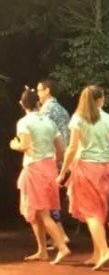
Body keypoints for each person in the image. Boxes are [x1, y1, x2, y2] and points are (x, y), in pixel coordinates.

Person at [58, 85, 109, 270]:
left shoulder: (79, 118)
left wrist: (63, 171)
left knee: (90, 212)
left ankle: (104, 251)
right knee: (99, 211)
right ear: (100, 98)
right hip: (106, 169)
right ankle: (97, 254)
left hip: (87, 167)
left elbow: (71, 148)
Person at [9, 87, 70, 264]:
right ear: (38, 103)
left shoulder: (24, 122)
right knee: (36, 213)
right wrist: (57, 164)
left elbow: (25, 145)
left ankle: (62, 246)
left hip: (34, 168)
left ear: (22, 104)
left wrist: (14, 144)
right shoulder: (49, 122)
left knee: (43, 213)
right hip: (49, 167)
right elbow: (60, 148)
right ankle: (42, 250)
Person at [36, 77, 70, 245]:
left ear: (47, 90)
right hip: (65, 157)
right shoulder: (63, 110)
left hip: (52, 158)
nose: (38, 94)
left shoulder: (46, 111)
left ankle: (60, 236)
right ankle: (60, 234)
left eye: (40, 90)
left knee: (48, 199)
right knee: (54, 197)